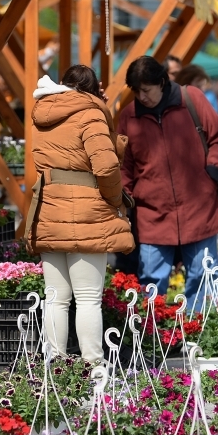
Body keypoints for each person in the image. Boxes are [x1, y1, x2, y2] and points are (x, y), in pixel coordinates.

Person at [26, 65, 134, 361]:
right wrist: (114, 200)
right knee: (88, 298)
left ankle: (54, 365)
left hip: (49, 208)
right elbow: (107, 167)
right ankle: (93, 365)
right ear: (92, 90)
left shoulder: (42, 112)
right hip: (88, 211)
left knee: (56, 298)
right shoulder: (90, 113)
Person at [118, 56, 218, 309]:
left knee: (203, 275)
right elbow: (123, 166)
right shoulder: (128, 116)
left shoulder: (191, 98)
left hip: (199, 207)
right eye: (136, 91)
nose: (142, 97)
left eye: (147, 90)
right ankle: (152, 336)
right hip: (152, 213)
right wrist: (125, 199)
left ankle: (200, 332)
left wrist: (211, 178)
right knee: (152, 280)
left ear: (162, 82)